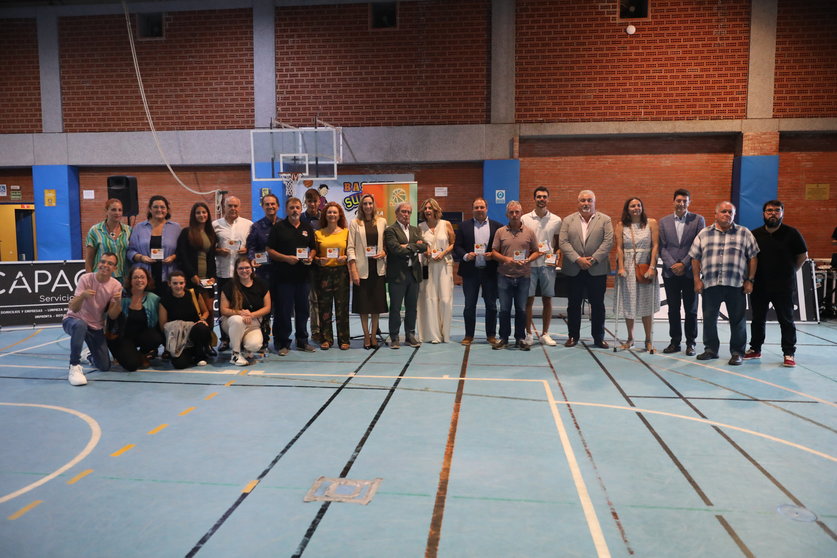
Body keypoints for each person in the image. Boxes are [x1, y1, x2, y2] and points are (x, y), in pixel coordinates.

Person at [690, 201, 759, 365]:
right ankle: (711, 350)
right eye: (723, 211)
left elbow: (753, 257)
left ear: (734, 215)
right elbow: (695, 258)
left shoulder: (744, 233)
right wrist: (697, 280)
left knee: (738, 321)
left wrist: (750, 280)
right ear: (716, 214)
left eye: (730, 212)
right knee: (709, 319)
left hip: (736, 285)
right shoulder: (704, 233)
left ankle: (737, 353)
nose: (727, 214)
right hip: (710, 284)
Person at [745, 200, 808, 367]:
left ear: (782, 213)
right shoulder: (754, 234)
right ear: (763, 214)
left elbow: (803, 256)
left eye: (777, 210)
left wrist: (791, 270)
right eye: (769, 211)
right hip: (760, 285)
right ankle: (755, 349)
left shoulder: (792, 233)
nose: (773, 213)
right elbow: (750, 258)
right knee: (758, 319)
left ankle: (789, 352)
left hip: (783, 286)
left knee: (786, 320)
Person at [559, 190, 614, 348]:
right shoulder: (568, 220)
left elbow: (608, 242)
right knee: (573, 305)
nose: (586, 203)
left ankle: (598, 337)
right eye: (583, 200)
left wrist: (594, 259)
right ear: (578, 203)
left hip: (597, 269)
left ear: (594, 202)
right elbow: (563, 242)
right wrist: (578, 259)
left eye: (589, 200)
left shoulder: (605, 220)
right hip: (574, 268)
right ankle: (572, 336)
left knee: (598, 305)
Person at [266, 196, 318, 355]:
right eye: (291, 208)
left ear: (300, 209)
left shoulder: (307, 227)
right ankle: (283, 343)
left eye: (297, 207)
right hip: (283, 278)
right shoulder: (279, 227)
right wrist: (286, 259)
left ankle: (302, 341)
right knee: (284, 311)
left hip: (303, 278)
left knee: (303, 311)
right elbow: (269, 250)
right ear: (286, 210)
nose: (295, 210)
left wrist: (310, 257)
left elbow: (313, 248)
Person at [63, 252, 123, 386]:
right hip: (73, 320)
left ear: (115, 268)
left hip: (95, 326)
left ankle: (88, 355)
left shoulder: (116, 285)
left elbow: (113, 315)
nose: (105, 265)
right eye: (103, 261)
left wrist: (118, 302)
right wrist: (82, 296)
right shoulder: (85, 279)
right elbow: (74, 307)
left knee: (104, 366)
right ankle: (74, 366)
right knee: (80, 325)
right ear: (98, 263)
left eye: (110, 263)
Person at [658, 189, 705, 356]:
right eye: (678, 200)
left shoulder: (698, 220)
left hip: (690, 272)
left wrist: (684, 264)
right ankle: (675, 342)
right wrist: (672, 265)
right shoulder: (663, 222)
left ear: (689, 202)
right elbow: (662, 247)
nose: (681, 203)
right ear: (673, 201)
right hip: (670, 273)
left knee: (691, 310)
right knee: (673, 309)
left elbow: (699, 245)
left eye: (685, 201)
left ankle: (691, 343)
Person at [491, 200, 541, 350]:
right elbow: (493, 252)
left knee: (521, 309)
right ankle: (503, 338)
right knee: (505, 310)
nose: (514, 215)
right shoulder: (500, 232)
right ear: (507, 214)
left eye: (517, 212)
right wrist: (506, 259)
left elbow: (537, 251)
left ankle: (520, 338)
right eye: (511, 212)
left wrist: (528, 260)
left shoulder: (529, 232)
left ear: (521, 213)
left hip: (523, 277)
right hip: (504, 276)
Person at [614, 197, 660, 352]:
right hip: (627, 266)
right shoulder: (621, 225)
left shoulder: (651, 223)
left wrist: (652, 266)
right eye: (632, 206)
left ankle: (648, 339)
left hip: (645, 266)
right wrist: (621, 267)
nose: (636, 208)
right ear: (627, 209)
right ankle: (630, 338)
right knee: (629, 303)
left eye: (639, 205)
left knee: (646, 303)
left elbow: (655, 246)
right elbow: (619, 248)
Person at [454, 197, 502, 346]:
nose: (479, 210)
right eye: (476, 207)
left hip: (490, 271)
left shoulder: (497, 227)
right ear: (472, 209)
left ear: (487, 208)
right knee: (469, 305)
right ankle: (469, 335)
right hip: (470, 272)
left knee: (492, 306)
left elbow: (500, 248)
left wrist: (493, 255)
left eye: (482, 207)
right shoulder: (463, 226)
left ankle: (491, 335)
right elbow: (457, 246)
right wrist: (466, 255)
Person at [521, 187, 563, 346]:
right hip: (530, 265)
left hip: (548, 265)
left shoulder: (556, 220)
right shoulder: (525, 219)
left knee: (547, 299)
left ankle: (545, 334)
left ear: (548, 199)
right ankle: (529, 334)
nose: (541, 199)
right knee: (528, 300)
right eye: (539, 196)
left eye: (544, 196)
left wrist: (557, 256)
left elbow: (558, 244)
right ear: (534, 199)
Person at [347, 193, 388, 349]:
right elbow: (350, 248)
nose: (368, 206)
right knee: (364, 306)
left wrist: (384, 252)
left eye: (370, 203)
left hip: (378, 269)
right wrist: (354, 271)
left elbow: (386, 244)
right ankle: (365, 336)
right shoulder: (355, 223)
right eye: (365, 204)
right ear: (361, 206)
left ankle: (373, 336)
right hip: (362, 269)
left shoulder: (382, 222)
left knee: (376, 306)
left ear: (374, 205)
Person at [384, 201, 427, 349]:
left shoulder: (416, 230)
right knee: (395, 307)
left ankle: (410, 335)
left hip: (413, 274)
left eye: (409, 212)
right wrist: (414, 247)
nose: (406, 214)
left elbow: (424, 246)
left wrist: (408, 246)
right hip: (397, 275)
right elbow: (396, 250)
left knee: (412, 307)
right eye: (403, 211)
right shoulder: (390, 230)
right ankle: (394, 337)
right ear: (396, 213)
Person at [213, 195, 252, 352]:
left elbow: (253, 246)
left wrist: (247, 250)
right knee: (225, 308)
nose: (233, 208)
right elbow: (210, 247)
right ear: (224, 207)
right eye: (230, 205)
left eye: (236, 206)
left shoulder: (248, 225)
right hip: (223, 272)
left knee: (240, 307)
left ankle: (241, 337)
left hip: (242, 274)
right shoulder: (215, 225)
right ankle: (224, 339)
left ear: (239, 207)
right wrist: (218, 250)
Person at [107, 265, 163, 372]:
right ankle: (127, 354)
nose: (139, 280)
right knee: (132, 366)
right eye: (136, 277)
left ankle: (142, 354)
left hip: (141, 336)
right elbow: (111, 317)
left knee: (156, 337)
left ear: (147, 280)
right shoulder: (121, 295)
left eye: (142, 277)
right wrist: (117, 301)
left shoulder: (153, 298)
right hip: (123, 337)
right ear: (130, 280)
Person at [175, 202, 217, 340]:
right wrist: (192, 274)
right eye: (198, 212)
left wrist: (213, 277)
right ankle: (192, 342)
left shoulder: (211, 233)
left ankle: (208, 341)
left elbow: (211, 258)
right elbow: (182, 255)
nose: (201, 215)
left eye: (204, 212)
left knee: (209, 312)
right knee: (194, 312)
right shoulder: (186, 232)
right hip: (191, 281)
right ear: (193, 215)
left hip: (207, 282)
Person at [219, 256, 271, 366]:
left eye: (247, 267)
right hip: (231, 322)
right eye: (241, 268)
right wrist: (241, 313)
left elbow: (267, 307)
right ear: (236, 271)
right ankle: (235, 355)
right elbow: (223, 310)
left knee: (254, 345)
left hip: (253, 323)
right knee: (238, 320)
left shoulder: (261, 284)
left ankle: (244, 348)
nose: (244, 271)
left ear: (252, 269)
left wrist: (251, 315)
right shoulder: (229, 286)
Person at [416, 198, 455, 343]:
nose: (427, 210)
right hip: (428, 266)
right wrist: (425, 251)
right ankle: (433, 335)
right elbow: (419, 245)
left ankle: (445, 334)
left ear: (435, 210)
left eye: (430, 208)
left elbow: (453, 243)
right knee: (429, 299)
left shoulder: (446, 224)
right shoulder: (420, 227)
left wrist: (443, 253)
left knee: (445, 300)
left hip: (444, 265)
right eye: (425, 208)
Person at [314, 202, 351, 350]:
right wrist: (318, 260)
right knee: (324, 307)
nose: (332, 215)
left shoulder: (346, 232)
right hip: (324, 274)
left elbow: (351, 252)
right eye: (329, 212)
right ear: (325, 215)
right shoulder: (318, 233)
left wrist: (346, 257)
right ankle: (326, 339)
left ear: (339, 215)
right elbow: (313, 254)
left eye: (335, 212)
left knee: (342, 307)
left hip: (341, 272)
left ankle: (344, 339)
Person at [247, 193, 281, 352]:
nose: (270, 207)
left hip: (282, 275)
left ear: (278, 206)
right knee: (264, 310)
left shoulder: (284, 225)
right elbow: (251, 247)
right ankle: (264, 340)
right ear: (263, 207)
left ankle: (281, 341)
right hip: (263, 276)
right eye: (267, 204)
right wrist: (252, 258)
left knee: (282, 309)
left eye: (273, 204)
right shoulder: (256, 227)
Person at [127, 195, 181, 295]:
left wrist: (173, 257)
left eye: (162, 207)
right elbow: (130, 251)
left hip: (168, 274)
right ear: (150, 209)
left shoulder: (176, 228)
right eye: (155, 207)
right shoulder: (139, 227)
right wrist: (142, 258)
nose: (159, 210)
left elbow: (182, 251)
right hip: (144, 276)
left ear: (167, 210)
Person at [159, 271, 212, 369]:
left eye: (181, 283)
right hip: (178, 338)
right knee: (179, 364)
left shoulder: (194, 294)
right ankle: (188, 354)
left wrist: (203, 319)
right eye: (175, 283)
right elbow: (163, 326)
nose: (178, 286)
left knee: (201, 328)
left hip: (194, 334)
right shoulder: (165, 300)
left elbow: (206, 312)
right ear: (169, 284)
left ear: (185, 283)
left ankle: (200, 354)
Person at [85, 198, 131, 284]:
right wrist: (89, 279)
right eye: (113, 210)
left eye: (120, 210)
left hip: (123, 278)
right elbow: (89, 259)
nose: (117, 213)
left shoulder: (128, 230)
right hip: (101, 277)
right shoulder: (95, 230)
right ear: (106, 211)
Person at [301, 188, 323, 342]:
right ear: (306, 202)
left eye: (315, 201)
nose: (312, 204)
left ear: (319, 201)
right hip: (305, 265)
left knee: (324, 299)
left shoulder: (326, 217)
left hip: (324, 263)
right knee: (312, 299)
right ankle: (315, 330)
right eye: (309, 201)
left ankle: (325, 329)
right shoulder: (301, 218)